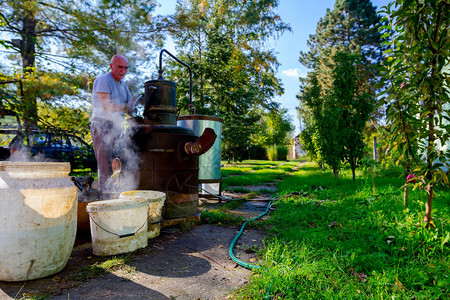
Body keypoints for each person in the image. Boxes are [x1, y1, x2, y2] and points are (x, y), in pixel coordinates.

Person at [91, 54, 133, 190]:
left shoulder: (123, 85)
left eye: (126, 68)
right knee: (105, 165)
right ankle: (105, 198)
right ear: (111, 66)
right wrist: (125, 108)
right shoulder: (103, 80)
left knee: (117, 164)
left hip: (116, 127)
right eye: (120, 67)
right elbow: (106, 106)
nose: (123, 71)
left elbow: (131, 104)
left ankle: (116, 192)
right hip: (102, 126)